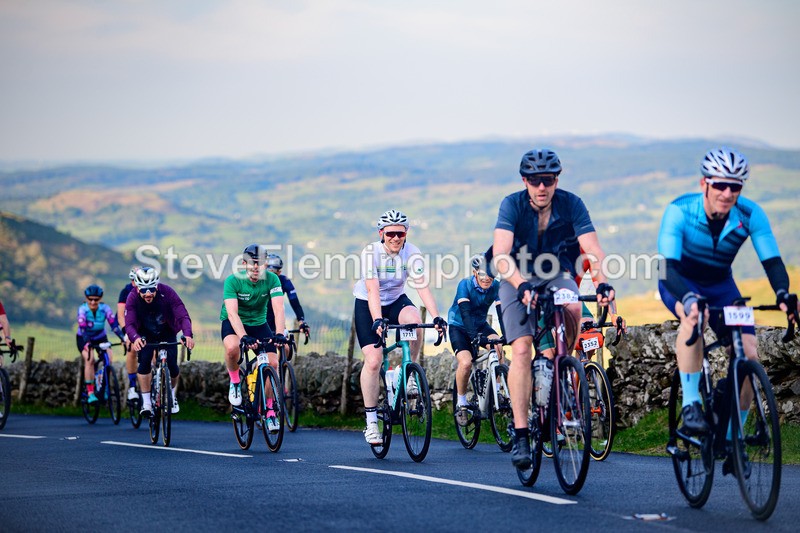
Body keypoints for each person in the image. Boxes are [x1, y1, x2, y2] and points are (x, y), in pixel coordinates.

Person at [657, 147, 798, 475]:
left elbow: (773, 261)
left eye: (736, 187)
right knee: (694, 316)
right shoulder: (680, 211)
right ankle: (692, 403)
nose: (727, 193)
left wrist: (782, 294)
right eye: (720, 185)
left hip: (722, 287)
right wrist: (689, 297)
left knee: (749, 356)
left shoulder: (750, 214)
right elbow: (667, 268)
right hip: (679, 280)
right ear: (704, 183)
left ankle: (734, 439)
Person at [492, 148, 615, 468]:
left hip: (556, 276)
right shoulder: (512, 204)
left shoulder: (571, 204)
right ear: (525, 181)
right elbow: (501, 255)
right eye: (535, 181)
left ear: (557, 179)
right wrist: (521, 286)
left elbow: (592, 248)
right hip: (516, 278)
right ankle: (521, 434)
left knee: (573, 305)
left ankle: (562, 363)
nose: (542, 186)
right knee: (521, 350)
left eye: (548, 180)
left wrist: (601, 282)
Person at [353, 209, 447, 445]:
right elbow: (373, 290)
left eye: (400, 233)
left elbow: (422, 286)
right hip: (368, 304)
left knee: (414, 319)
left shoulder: (412, 252)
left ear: (406, 233)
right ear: (381, 234)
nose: (396, 238)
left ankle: (410, 373)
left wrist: (436, 317)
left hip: (396, 300)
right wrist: (377, 320)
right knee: (374, 361)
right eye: (391, 233)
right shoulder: (370, 253)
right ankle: (372, 422)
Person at [221, 244, 287, 433]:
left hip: (259, 324)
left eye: (260, 264)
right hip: (234, 323)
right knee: (233, 347)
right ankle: (234, 382)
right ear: (244, 264)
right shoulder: (233, 281)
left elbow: (278, 309)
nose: (256, 267)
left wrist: (280, 333)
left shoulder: (273, 279)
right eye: (252, 264)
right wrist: (244, 337)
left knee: (272, 363)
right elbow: (232, 314)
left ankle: (270, 410)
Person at [125, 267, 194, 417]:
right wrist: (135, 338)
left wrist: (187, 335)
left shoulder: (167, 292)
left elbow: (183, 315)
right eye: (143, 290)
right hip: (145, 333)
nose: (148, 293)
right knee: (144, 363)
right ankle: (147, 403)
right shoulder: (132, 297)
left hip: (167, 331)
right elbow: (129, 324)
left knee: (173, 366)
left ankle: (172, 395)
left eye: (151, 289)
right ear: (137, 288)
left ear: (156, 285)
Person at [448, 254, 504, 426]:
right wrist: (473, 338)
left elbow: (503, 311)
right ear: (475, 273)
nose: (487, 278)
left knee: (498, 345)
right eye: (483, 274)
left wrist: (508, 332)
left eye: (491, 274)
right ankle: (462, 402)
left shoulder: (496, 286)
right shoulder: (464, 285)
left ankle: (497, 389)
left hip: (480, 325)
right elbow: (464, 312)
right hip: (459, 327)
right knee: (465, 363)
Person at [77, 285, 125, 404]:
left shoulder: (105, 308)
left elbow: (114, 325)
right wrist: (87, 343)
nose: (93, 302)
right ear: (86, 298)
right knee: (90, 359)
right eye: (90, 299)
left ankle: (104, 387)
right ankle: (90, 393)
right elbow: (82, 328)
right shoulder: (82, 309)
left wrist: (123, 338)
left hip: (100, 337)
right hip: (84, 338)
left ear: (100, 299)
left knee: (108, 358)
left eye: (96, 299)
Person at [266, 252, 311, 342]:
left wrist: (301, 321)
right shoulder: (258, 281)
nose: (272, 275)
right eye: (269, 272)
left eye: (275, 272)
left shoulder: (284, 281)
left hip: (275, 316)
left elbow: (295, 303)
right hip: (259, 317)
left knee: (285, 346)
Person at [117, 267, 140, 402]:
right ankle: (132, 386)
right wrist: (127, 334)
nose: (134, 282)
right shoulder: (125, 291)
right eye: (132, 280)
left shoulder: (147, 289)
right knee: (131, 349)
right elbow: (121, 316)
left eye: (136, 280)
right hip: (129, 323)